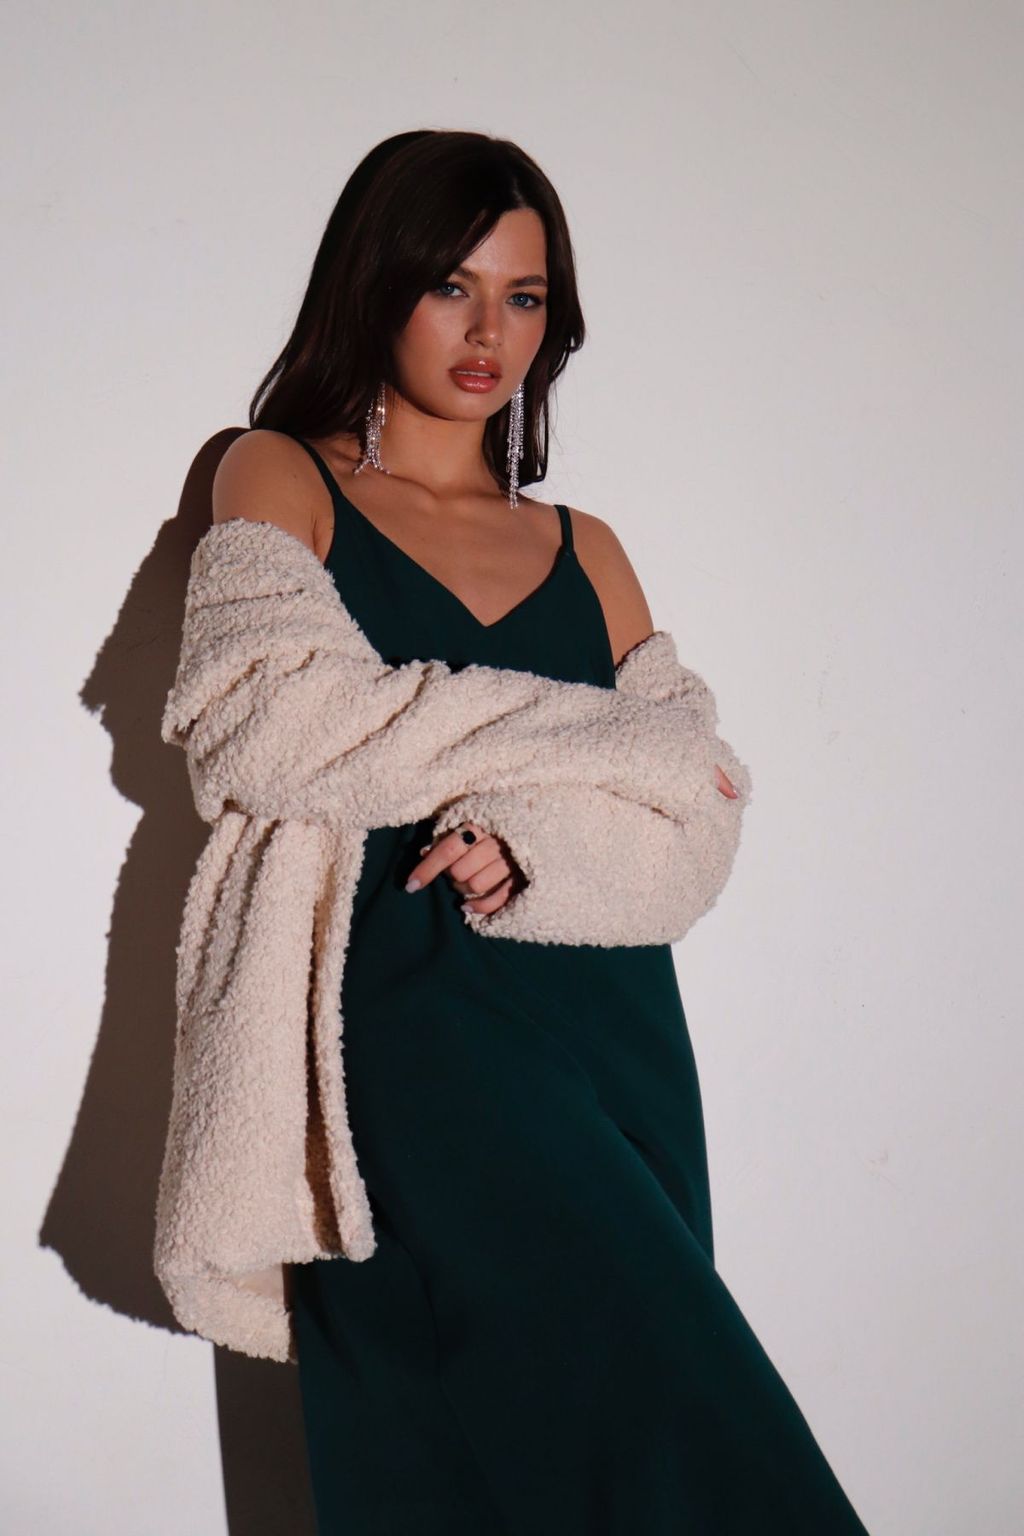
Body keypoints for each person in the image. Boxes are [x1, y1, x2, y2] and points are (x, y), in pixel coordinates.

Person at [212, 130, 872, 1535]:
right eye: (452, 286)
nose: (488, 334)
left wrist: (544, 845)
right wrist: (596, 749)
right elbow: (269, 726)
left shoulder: (589, 546)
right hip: (406, 1015)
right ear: (378, 285)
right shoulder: (279, 477)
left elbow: (699, 814)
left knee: (600, 1419)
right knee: (570, 1419)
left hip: (610, 1017)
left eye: (523, 297)